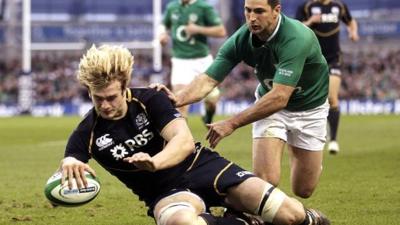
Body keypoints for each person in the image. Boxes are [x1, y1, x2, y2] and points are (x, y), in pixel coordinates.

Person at [59, 44, 330, 225]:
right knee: (182, 223)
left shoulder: (150, 99)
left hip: (204, 168)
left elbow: (184, 141)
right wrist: (69, 164)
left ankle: (308, 219)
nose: (105, 105)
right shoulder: (88, 131)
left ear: (125, 87)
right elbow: (73, 158)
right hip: (166, 194)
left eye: (111, 97)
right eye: (97, 98)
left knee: (290, 216)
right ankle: (241, 221)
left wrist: (156, 162)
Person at [151, 0, 329, 199]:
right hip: (269, 107)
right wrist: (177, 98)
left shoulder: (296, 37)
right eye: (248, 10)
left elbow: (280, 97)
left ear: (276, 11)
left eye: (259, 11)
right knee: (266, 180)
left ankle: (305, 157)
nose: (252, 18)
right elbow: (208, 79)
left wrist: (231, 123)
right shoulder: (242, 39)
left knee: (303, 189)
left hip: (310, 109)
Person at [295, 0, 359, 154]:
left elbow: (351, 21)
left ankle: (334, 140)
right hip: (312, 59)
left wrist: (353, 32)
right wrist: (310, 21)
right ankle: (305, 137)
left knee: (332, 97)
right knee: (307, 97)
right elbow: (295, 30)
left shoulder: (339, 6)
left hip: (333, 59)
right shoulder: (306, 6)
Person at [159, 0, 226, 124]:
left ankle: (208, 115)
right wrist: (162, 34)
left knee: (212, 101)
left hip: (202, 60)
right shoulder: (172, 7)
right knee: (180, 104)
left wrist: (198, 29)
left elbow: (221, 31)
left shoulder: (203, 7)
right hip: (180, 61)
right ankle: (183, 140)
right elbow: (164, 24)